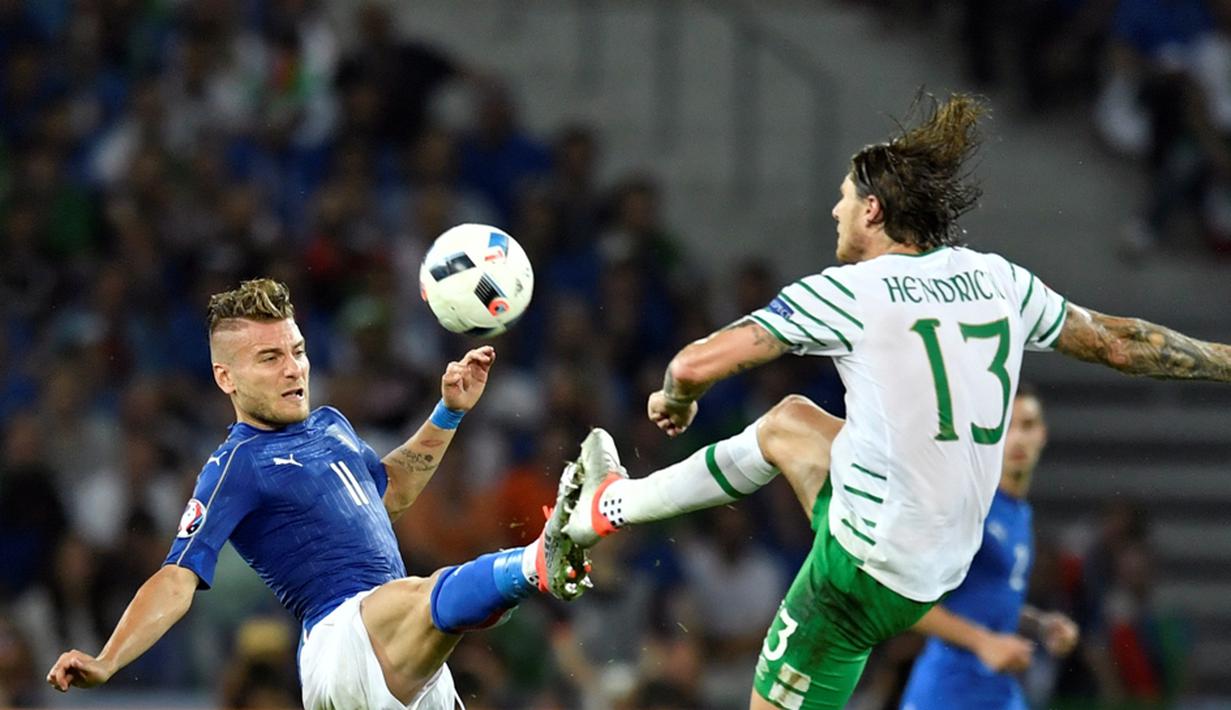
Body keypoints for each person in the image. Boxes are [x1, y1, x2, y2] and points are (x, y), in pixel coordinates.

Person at [548, 93, 1231, 709]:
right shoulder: (997, 280)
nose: (835, 211)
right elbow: (1121, 343)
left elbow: (694, 361)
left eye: (844, 198)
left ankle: (607, 507)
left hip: (859, 577)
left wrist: (678, 396)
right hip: (936, 565)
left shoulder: (847, 291)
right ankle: (610, 505)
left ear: (872, 210)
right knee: (789, 425)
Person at [45, 278, 589, 709]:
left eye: (298, 351)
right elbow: (176, 577)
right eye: (269, 359)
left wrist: (448, 412)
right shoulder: (234, 465)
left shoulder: (330, 425)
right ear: (225, 378)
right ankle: (541, 560)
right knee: (428, 597)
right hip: (341, 637)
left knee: (422, 602)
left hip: (397, 650)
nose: (293, 370)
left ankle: (536, 564)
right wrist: (108, 659)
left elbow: (386, 497)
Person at [900, 385, 1079, 710]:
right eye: (1006, 427)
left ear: (1043, 434)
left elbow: (983, 599)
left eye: (1027, 425)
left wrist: (1039, 625)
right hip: (947, 693)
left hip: (997, 692)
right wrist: (984, 643)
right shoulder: (969, 508)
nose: (1018, 439)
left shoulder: (1019, 513)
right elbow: (905, 602)